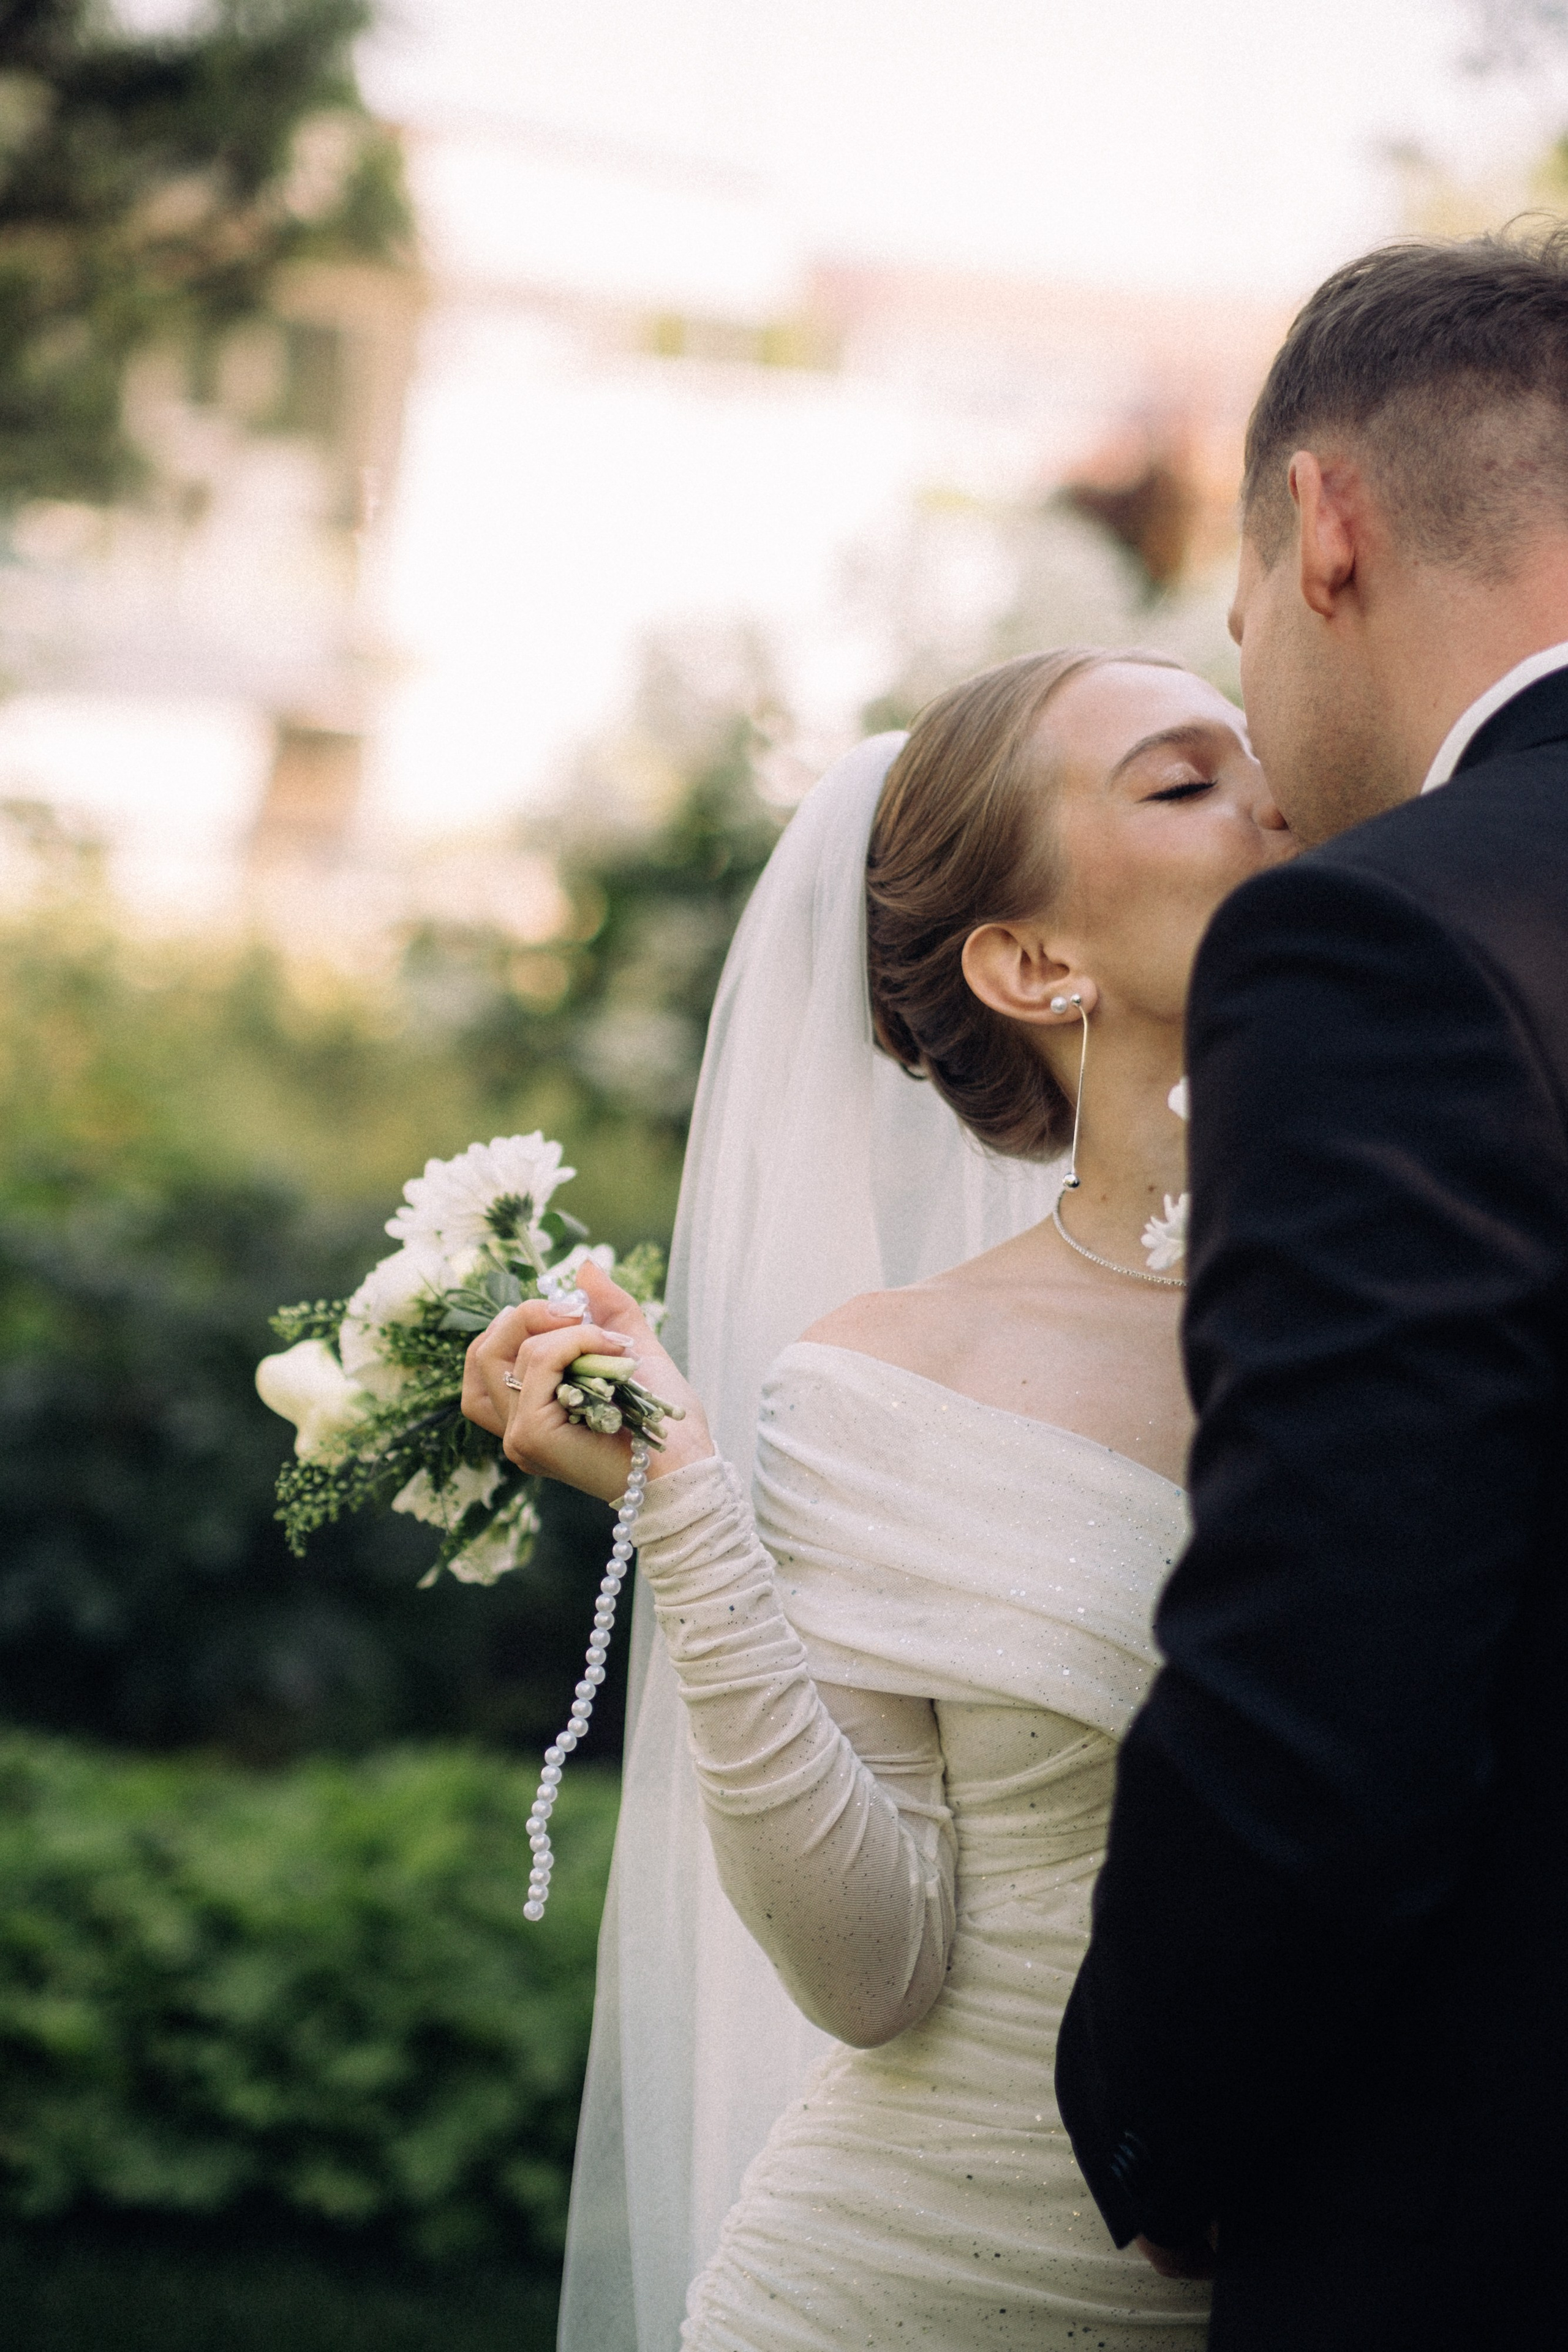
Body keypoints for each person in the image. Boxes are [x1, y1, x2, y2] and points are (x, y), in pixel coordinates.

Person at [464, 644, 1291, 2348]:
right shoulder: (894, 1379)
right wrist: (688, 1509)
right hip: (902, 2292)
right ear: (1031, 960)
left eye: (1259, 754)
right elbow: (872, 1968)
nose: (1273, 797)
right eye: (1184, 780)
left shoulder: (1440, 1278)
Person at [1054, 226, 1568, 2351]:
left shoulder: (1396, 940)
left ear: (1319, 524)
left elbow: (1336, 1656)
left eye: (1236, 614)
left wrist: (1171, 2115)